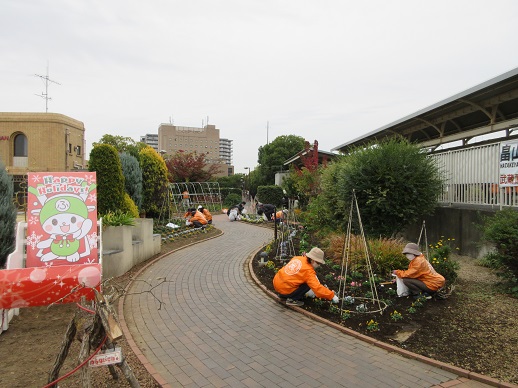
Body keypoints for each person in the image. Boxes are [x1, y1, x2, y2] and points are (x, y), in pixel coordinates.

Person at [273, 247, 339, 306]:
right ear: (312, 260)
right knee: (307, 284)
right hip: (286, 290)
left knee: (298, 280)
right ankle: (292, 299)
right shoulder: (308, 271)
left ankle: (282, 295)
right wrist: (332, 296)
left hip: (276, 283)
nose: (319, 265)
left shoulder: (297, 258)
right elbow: (317, 288)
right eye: (318, 263)